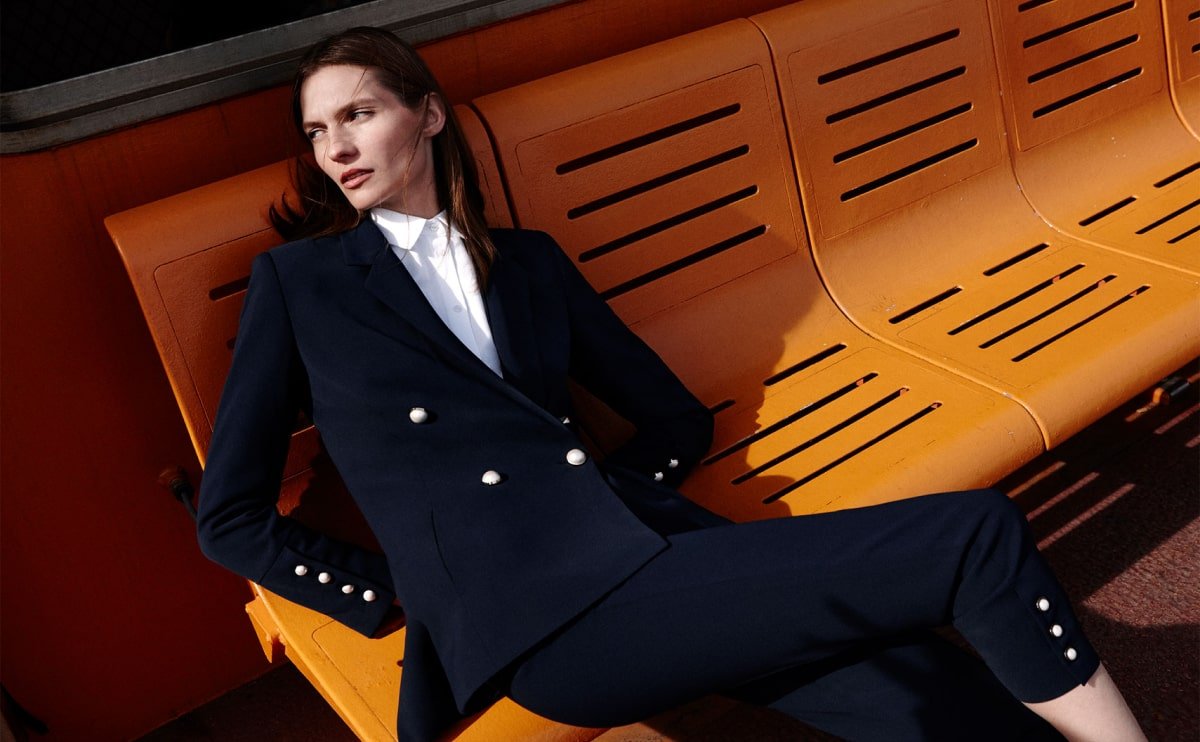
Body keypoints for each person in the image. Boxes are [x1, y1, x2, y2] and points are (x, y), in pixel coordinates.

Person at [196, 26, 1146, 742]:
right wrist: (402, 589)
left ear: (430, 115)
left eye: (358, 114)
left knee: (914, 689)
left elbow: (673, 417)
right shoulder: (304, 285)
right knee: (974, 535)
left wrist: (599, 501)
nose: (336, 147)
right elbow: (229, 517)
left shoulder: (529, 264)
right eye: (318, 130)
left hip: (644, 558)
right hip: (536, 622)